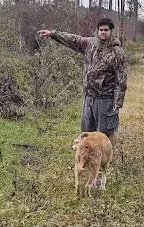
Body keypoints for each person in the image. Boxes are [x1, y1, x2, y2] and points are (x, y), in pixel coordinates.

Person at [37, 18, 128, 148]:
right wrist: (53, 34)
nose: (103, 32)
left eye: (106, 30)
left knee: (105, 133)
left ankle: (105, 160)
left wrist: (117, 103)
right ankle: (88, 156)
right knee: (87, 131)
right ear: (97, 31)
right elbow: (73, 39)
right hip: (89, 97)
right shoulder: (90, 44)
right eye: (101, 30)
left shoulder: (117, 53)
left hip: (105, 99)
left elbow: (122, 80)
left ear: (111, 31)